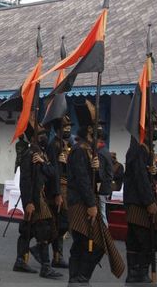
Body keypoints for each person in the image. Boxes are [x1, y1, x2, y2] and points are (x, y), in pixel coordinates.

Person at [67, 100, 124, 285]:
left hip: (87, 202)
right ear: (90, 130)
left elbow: (94, 179)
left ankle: (78, 279)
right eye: (97, 126)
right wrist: (92, 205)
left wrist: (97, 169)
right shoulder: (78, 150)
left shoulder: (89, 151)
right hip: (80, 204)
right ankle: (79, 279)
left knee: (87, 244)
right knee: (88, 243)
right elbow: (83, 181)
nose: (100, 128)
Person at [12, 122, 62, 279]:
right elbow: (25, 180)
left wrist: (43, 162)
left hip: (41, 196)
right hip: (35, 199)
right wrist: (28, 202)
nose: (44, 136)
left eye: (44, 133)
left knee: (28, 230)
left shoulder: (42, 154)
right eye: (40, 134)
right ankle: (45, 266)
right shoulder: (28, 154)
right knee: (43, 230)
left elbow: (52, 173)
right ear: (33, 137)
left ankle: (20, 260)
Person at [123, 109, 157, 284]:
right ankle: (138, 273)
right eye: (154, 126)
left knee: (138, 238)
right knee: (150, 235)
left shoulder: (147, 149)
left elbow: (148, 175)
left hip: (139, 199)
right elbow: (139, 176)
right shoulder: (139, 148)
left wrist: (155, 173)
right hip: (138, 201)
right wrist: (149, 201)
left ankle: (136, 274)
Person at [45, 115, 73, 268]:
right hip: (58, 189)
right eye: (65, 127)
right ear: (58, 130)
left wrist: (66, 163)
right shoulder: (54, 145)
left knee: (62, 223)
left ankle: (58, 256)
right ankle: (49, 251)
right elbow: (53, 171)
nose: (68, 130)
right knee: (60, 223)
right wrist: (56, 193)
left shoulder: (64, 145)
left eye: (69, 127)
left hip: (66, 188)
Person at [96, 130, 113, 226]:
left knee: (102, 213)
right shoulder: (105, 151)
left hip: (101, 187)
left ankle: (104, 235)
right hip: (106, 186)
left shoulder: (100, 153)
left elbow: (100, 173)